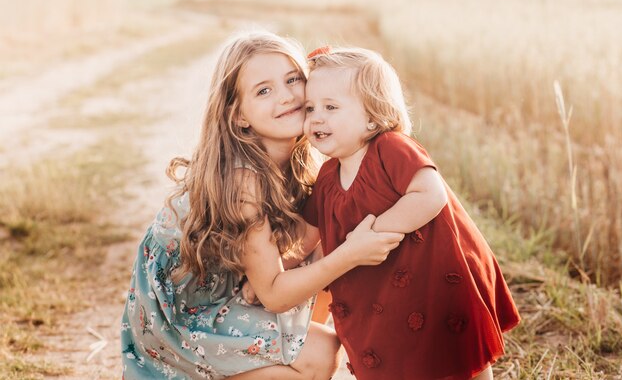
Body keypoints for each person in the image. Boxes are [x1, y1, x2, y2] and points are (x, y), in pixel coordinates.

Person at [120, 31, 404, 380]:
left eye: (292, 80)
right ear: (239, 115)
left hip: (230, 291)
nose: (286, 97)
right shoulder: (242, 181)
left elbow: (300, 248)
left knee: (329, 240)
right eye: (264, 91)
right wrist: (350, 253)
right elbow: (273, 293)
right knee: (321, 353)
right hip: (183, 319)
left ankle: (279, 351)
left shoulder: (300, 162)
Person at [302, 46, 521, 380]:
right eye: (310, 108)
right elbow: (308, 237)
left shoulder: (390, 148)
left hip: (435, 278)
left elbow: (430, 195)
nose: (316, 117)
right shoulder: (328, 176)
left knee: (457, 353)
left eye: (331, 107)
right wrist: (274, 272)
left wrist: (373, 233)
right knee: (398, 356)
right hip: (381, 292)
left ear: (373, 116)